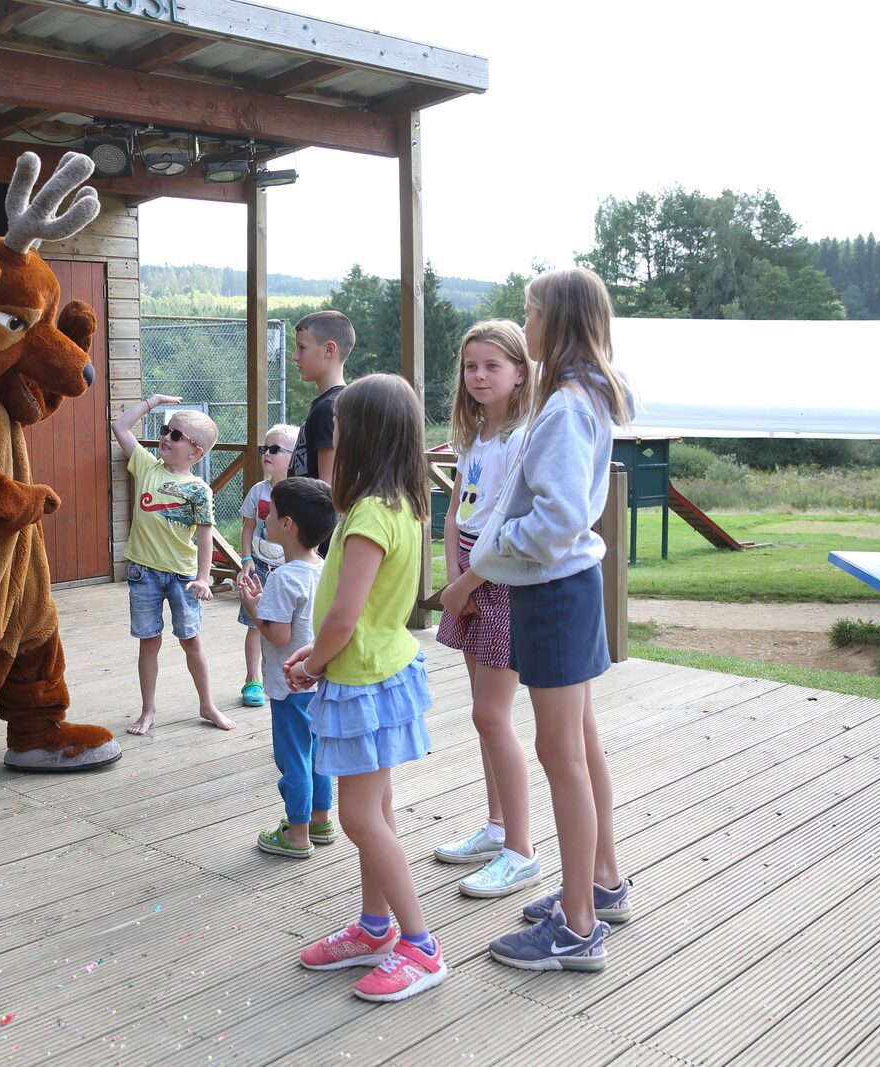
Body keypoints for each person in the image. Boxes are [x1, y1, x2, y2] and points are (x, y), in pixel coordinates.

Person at [467, 267, 636, 972]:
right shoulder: (585, 395)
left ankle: (576, 925)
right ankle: (600, 883)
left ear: (556, 322)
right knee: (581, 744)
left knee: (560, 754)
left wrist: (493, 550)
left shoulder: (567, 406)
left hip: (557, 593)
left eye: (530, 311)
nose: (523, 321)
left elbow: (562, 518)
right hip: (565, 592)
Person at [286, 374, 445, 1003]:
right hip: (382, 670)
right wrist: (319, 652)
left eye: (343, 427)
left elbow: (346, 614)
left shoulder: (370, 514)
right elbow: (360, 609)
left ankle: (420, 946)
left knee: (357, 815)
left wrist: (314, 663)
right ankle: (375, 928)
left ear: (364, 436)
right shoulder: (402, 504)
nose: (336, 437)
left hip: (361, 680)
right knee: (373, 811)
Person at [433, 321, 541, 900]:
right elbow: (456, 512)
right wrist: (453, 578)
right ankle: (497, 826)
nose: (478, 376)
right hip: (469, 573)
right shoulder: (475, 436)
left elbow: (509, 523)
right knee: (481, 711)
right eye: (471, 366)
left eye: (491, 366)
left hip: (498, 576)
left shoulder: (524, 438)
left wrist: (471, 581)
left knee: (493, 715)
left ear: (519, 372)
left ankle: (521, 850)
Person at [110, 394, 235, 735]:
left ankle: (207, 705)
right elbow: (119, 425)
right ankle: (147, 710)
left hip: (183, 577)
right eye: (167, 430)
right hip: (143, 572)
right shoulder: (146, 465)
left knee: (191, 640)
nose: (166, 437)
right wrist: (154, 402)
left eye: (176, 435)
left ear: (195, 452)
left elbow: (206, 537)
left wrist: (205, 579)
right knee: (149, 641)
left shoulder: (198, 490)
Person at [235, 476, 336, 858]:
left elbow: (277, 636)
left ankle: (296, 834)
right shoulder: (323, 568)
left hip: (289, 687)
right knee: (318, 754)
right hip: (319, 681)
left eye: (272, 513)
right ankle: (321, 821)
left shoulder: (282, 576)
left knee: (292, 759)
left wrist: (252, 608)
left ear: (288, 525)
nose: (266, 517)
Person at [236, 423, 299, 708]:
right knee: (254, 624)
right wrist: (246, 559)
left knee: (289, 627)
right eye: (265, 448)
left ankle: (290, 675)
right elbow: (248, 528)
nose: (267, 454)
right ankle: (253, 680)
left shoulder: (300, 491)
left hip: (288, 570)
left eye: (275, 449)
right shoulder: (258, 491)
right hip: (259, 567)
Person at [287, 311, 351, 484]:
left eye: (302, 348)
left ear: (329, 350)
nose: (295, 356)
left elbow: (328, 489)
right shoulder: (329, 404)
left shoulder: (330, 408)